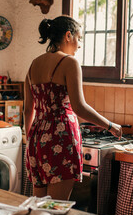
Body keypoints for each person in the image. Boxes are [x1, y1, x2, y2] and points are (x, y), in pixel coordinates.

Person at [24, 15, 122, 201]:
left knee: (39, 207)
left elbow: (28, 110)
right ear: (68, 36)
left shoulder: (33, 65)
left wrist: (31, 140)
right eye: (79, 38)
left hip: (37, 139)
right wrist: (110, 125)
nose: (79, 44)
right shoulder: (69, 63)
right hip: (60, 137)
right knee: (56, 207)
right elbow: (80, 107)